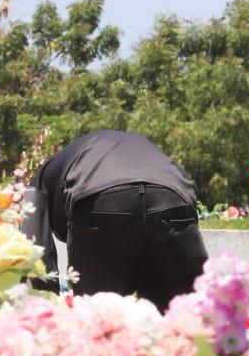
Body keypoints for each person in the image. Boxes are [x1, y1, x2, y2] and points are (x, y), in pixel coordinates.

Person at [21, 129, 208, 311]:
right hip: (172, 197)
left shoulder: (42, 178)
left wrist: (45, 308)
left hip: (100, 200)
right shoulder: (143, 148)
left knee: (101, 321)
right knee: (184, 316)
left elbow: (33, 252)